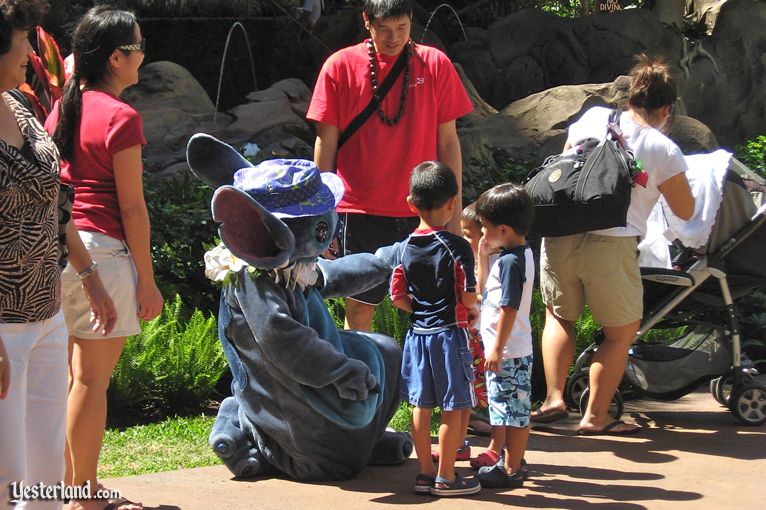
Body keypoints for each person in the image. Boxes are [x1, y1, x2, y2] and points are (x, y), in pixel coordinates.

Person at [533, 54, 694, 435]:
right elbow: (685, 210)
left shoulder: (592, 119)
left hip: (560, 232)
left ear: (631, 98)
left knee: (559, 317)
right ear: (667, 109)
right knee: (619, 333)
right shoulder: (663, 148)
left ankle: (554, 398)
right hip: (613, 243)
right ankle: (595, 417)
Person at [45, 6, 163, 509]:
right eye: (138, 48)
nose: (143, 56)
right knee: (92, 383)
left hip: (60, 250)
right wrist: (147, 280)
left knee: (74, 380)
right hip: (103, 254)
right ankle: (85, 497)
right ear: (117, 58)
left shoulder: (62, 107)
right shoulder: (122, 116)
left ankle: (72, 489)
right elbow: (132, 208)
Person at [0, 0, 117, 508]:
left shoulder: (20, 107)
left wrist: (88, 274)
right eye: (23, 40)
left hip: (45, 312)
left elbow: (56, 201)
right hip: (3, 325)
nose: (31, 51)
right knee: (6, 472)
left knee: (45, 468)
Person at [307, 0, 473, 331]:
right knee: (359, 309)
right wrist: (321, 215)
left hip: (424, 210)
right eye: (383, 29)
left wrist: (454, 213)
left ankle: (424, 376)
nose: (393, 38)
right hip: (359, 210)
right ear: (366, 21)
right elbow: (326, 144)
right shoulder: (339, 66)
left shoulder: (435, 63)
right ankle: (366, 380)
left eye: (401, 28)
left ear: (411, 20)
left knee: (433, 306)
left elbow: (449, 142)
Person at [389, 161, 481, 497]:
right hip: (449, 335)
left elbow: (397, 296)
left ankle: (425, 473)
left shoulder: (403, 248)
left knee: (421, 405)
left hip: (418, 336)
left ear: (410, 203)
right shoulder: (457, 247)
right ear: (453, 203)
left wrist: (419, 310)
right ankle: (447, 477)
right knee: (454, 406)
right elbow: (468, 295)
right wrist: (470, 308)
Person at [472, 184, 535, 489]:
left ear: (504, 229)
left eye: (484, 228)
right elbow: (487, 294)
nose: (482, 234)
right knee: (507, 408)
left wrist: (496, 349)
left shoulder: (511, 262)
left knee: (513, 412)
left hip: (508, 351)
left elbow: (508, 308)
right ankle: (511, 461)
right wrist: (483, 257)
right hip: (509, 348)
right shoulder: (515, 253)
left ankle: (511, 469)